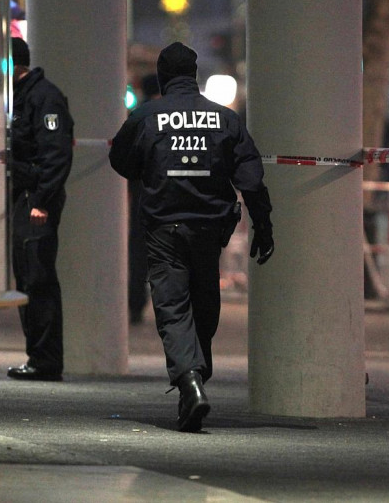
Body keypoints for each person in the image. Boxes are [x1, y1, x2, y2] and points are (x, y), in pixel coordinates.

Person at [109, 42, 274, 432]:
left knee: (172, 308)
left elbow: (121, 160)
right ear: (195, 75)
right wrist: (264, 225)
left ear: (164, 78)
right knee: (204, 307)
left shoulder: (147, 116)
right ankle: (195, 380)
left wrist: (150, 171)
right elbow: (250, 176)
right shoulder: (225, 119)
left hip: (165, 227)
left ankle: (190, 381)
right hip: (209, 230)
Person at [7, 37, 74, 382]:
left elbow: (55, 154)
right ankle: (38, 355)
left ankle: (45, 359)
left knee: (38, 278)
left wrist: (42, 201)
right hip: (25, 198)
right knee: (27, 277)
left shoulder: (44, 97)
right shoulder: (21, 96)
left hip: (35, 200)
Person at [128, 74, 160, 325]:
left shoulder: (137, 117)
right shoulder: (172, 116)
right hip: (171, 195)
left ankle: (136, 305)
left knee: (139, 254)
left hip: (142, 194)